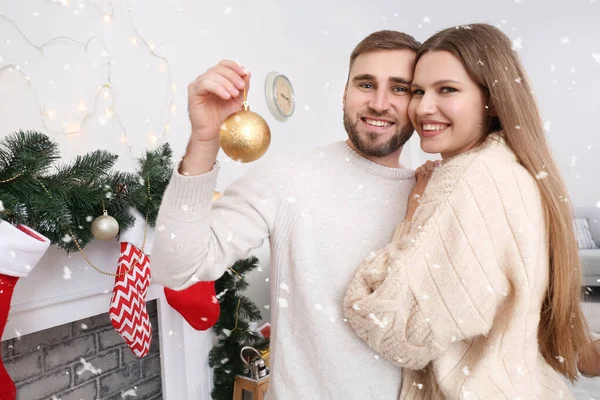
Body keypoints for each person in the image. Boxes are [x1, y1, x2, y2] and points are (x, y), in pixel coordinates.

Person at [151, 30, 420, 399]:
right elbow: (177, 267)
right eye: (366, 84)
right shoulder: (290, 176)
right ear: (345, 94)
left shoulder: (431, 196)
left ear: (419, 102)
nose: (379, 102)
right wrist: (204, 140)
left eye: (400, 88)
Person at [343, 23, 598, 399]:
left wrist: (411, 216)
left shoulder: (466, 181)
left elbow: (394, 331)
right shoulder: (513, 168)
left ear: (491, 98)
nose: (422, 108)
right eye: (417, 91)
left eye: (447, 89)